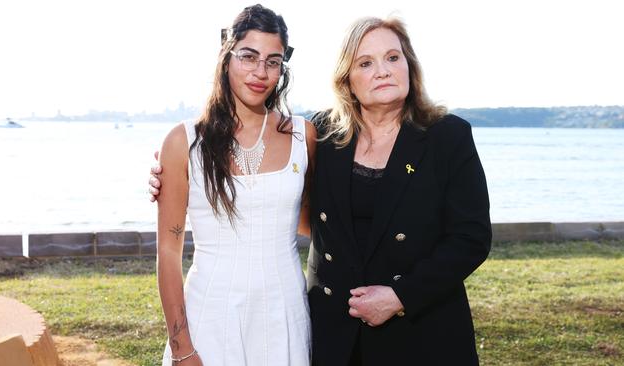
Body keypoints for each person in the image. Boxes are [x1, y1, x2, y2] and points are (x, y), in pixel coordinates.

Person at [151, 15, 491, 366]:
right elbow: (305, 216)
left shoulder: (444, 137)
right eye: (366, 62)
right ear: (347, 80)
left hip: (418, 329)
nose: (383, 71)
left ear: (410, 65)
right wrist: (174, 179)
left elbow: (471, 238)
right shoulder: (327, 135)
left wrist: (400, 295)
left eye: (393, 58)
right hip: (329, 332)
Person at [155, 4, 315, 366]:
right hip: (210, 316)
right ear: (226, 57)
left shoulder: (303, 136)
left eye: (273, 61)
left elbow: (309, 223)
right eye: (249, 56)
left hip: (283, 316)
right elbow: (168, 252)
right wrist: (181, 347)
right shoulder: (184, 142)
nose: (261, 72)